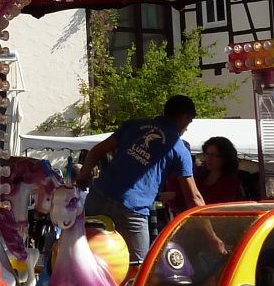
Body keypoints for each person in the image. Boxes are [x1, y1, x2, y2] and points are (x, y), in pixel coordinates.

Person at [76, 96, 204, 266]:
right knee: (137, 269)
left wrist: (84, 176)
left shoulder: (133, 126)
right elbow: (193, 197)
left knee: (87, 257)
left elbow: (95, 151)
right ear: (184, 117)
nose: (187, 128)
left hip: (99, 196)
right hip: (131, 210)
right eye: (190, 121)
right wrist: (210, 232)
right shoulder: (179, 149)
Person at [196, 135, 246, 205]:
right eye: (207, 154)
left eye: (215, 155)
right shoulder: (198, 177)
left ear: (225, 158)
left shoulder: (230, 184)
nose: (209, 158)